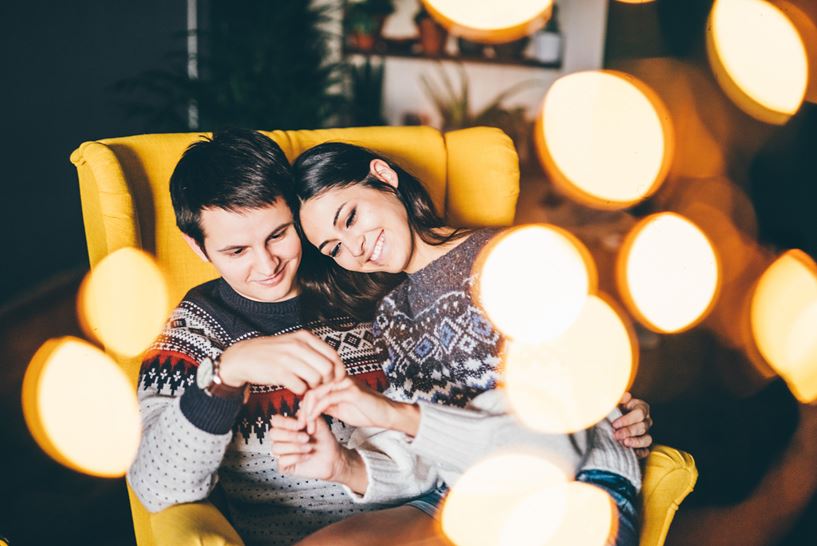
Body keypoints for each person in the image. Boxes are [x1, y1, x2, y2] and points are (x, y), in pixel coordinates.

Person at [127, 129, 653, 546]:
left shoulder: (365, 297)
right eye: (236, 251)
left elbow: (527, 407)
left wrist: (601, 398)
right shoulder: (199, 326)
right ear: (199, 249)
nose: (266, 265)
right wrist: (227, 373)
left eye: (279, 235)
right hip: (408, 509)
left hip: (467, 493)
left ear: (296, 219)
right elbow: (157, 484)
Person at [273, 142, 650, 546]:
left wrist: (623, 406)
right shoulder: (390, 318)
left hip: (572, 481)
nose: (355, 249)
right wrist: (342, 465)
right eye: (334, 249)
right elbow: (418, 463)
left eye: (350, 218)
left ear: (383, 176)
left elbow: (560, 429)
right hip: (457, 493)